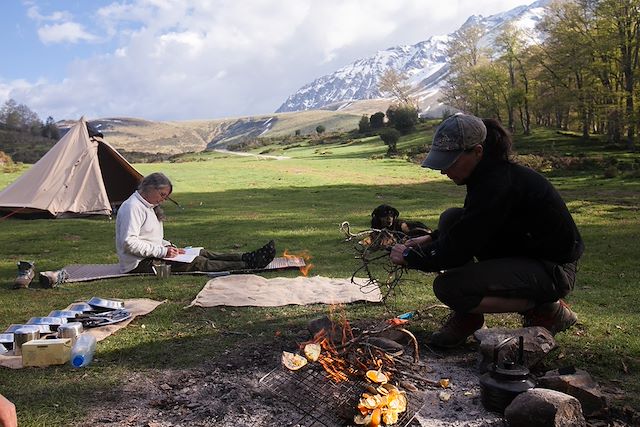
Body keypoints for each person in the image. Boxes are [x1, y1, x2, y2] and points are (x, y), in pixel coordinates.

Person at [390, 113, 584, 348]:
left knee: (449, 288)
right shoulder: (487, 175)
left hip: (553, 270)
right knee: (451, 218)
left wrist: (410, 257)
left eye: (450, 162)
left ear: (477, 151)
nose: (444, 171)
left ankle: (548, 309)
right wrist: (431, 237)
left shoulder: (498, 184)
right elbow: (474, 223)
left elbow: (456, 251)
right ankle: (469, 317)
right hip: (525, 252)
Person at [116, 172, 276, 274]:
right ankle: (246, 265)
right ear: (149, 188)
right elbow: (129, 243)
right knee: (197, 262)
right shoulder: (133, 207)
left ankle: (248, 257)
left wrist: (168, 246)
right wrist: (162, 252)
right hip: (138, 264)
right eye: (162, 195)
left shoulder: (147, 206)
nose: (163, 200)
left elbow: (148, 237)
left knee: (202, 252)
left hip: (152, 254)